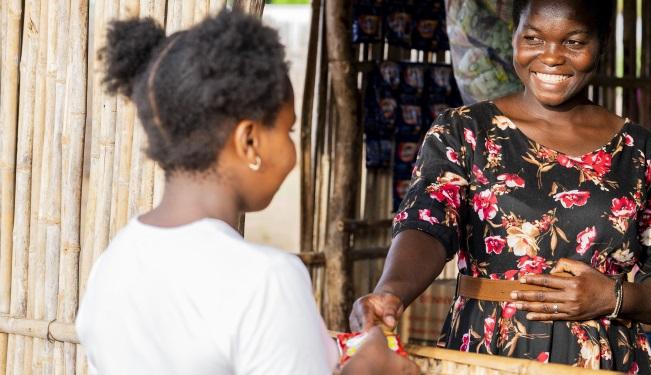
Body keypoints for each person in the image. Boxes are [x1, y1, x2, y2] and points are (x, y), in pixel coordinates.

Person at [350, 0, 651, 372]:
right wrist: (390, 292)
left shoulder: (639, 149)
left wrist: (615, 298)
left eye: (574, 42)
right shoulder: (464, 131)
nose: (552, 57)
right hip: (487, 353)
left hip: (605, 361)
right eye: (534, 38)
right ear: (514, 37)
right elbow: (426, 225)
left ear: (602, 42)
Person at [75, 10, 417, 375]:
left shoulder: (112, 264)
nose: (291, 152)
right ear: (249, 141)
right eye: (287, 130)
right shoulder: (266, 280)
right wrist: (369, 368)